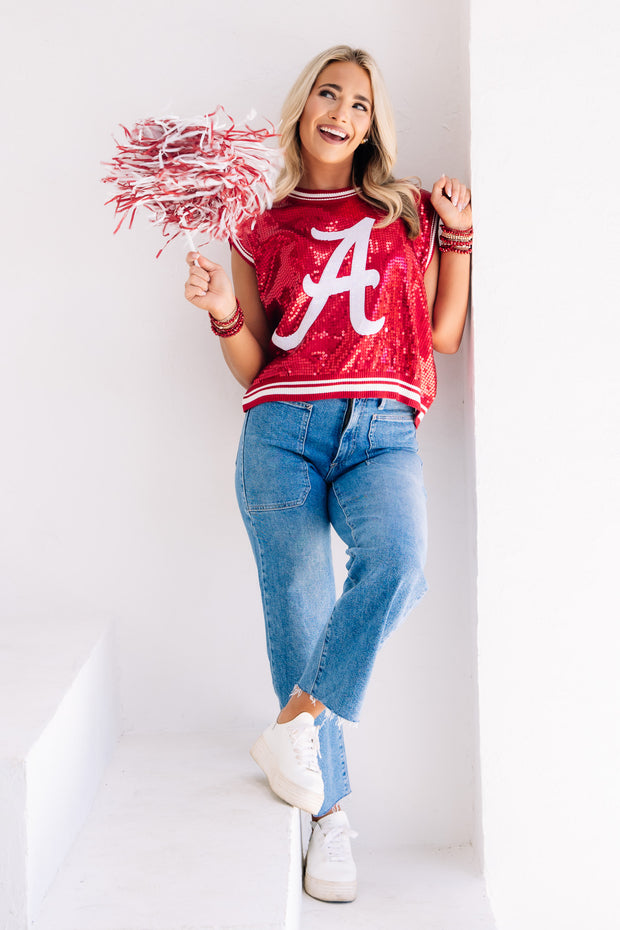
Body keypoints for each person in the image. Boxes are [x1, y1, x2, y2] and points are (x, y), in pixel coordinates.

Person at [184, 45, 472, 903]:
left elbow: (443, 334)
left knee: (400, 566)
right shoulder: (257, 224)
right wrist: (221, 310)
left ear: (373, 127)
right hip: (280, 431)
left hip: (383, 427)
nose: (342, 113)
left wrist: (459, 236)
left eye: (360, 103)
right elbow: (252, 364)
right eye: (328, 94)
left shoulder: (408, 211)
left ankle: (290, 725)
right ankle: (331, 818)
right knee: (302, 615)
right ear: (302, 107)